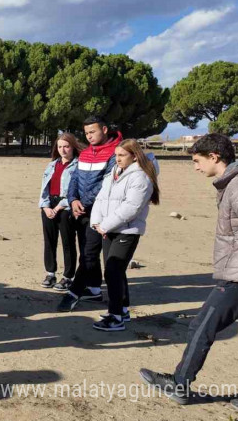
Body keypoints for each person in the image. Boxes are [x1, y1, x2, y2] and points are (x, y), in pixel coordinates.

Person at [140, 134, 238, 418]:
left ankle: (180, 383)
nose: (195, 167)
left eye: (197, 161)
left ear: (214, 157)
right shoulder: (236, 184)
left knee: (202, 325)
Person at [89, 139, 159, 331]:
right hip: (108, 229)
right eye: (116, 155)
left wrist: (105, 224)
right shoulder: (114, 172)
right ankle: (123, 309)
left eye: (122, 155)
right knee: (114, 272)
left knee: (113, 271)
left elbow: (131, 208)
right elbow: (101, 197)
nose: (117, 159)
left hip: (127, 231)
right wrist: (96, 222)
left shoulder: (141, 177)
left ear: (134, 156)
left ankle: (115, 317)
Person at [57, 115, 122, 312]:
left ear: (104, 130)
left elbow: (107, 183)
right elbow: (74, 179)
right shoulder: (85, 153)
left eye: (92, 132)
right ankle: (94, 290)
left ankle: (74, 292)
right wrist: (73, 200)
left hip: (102, 213)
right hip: (81, 210)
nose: (89, 136)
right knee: (87, 252)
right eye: (86, 133)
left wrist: (83, 202)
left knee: (90, 253)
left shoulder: (116, 154)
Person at [39, 132, 82, 291]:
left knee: (67, 241)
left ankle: (68, 276)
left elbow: (75, 190)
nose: (63, 150)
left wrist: (58, 207)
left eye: (66, 146)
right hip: (49, 204)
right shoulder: (52, 165)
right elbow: (44, 188)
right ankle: (50, 273)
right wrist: (45, 207)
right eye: (60, 147)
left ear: (72, 147)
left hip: (66, 206)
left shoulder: (77, 165)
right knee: (49, 240)